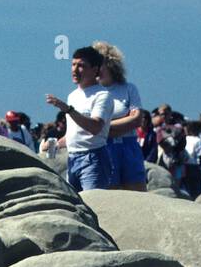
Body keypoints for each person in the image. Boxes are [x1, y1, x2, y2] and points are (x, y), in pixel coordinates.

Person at [45, 46, 113, 192]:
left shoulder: (102, 95)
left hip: (93, 157)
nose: (75, 70)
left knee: (94, 205)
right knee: (76, 207)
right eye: (73, 64)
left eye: (81, 66)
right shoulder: (73, 96)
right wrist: (54, 145)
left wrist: (68, 109)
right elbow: (73, 134)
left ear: (95, 70)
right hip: (72, 157)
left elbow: (95, 127)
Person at [92, 41, 146, 191]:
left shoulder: (128, 89)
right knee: (111, 193)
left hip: (129, 146)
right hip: (105, 147)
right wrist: (124, 122)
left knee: (137, 193)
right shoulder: (92, 92)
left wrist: (104, 127)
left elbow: (136, 119)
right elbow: (90, 126)